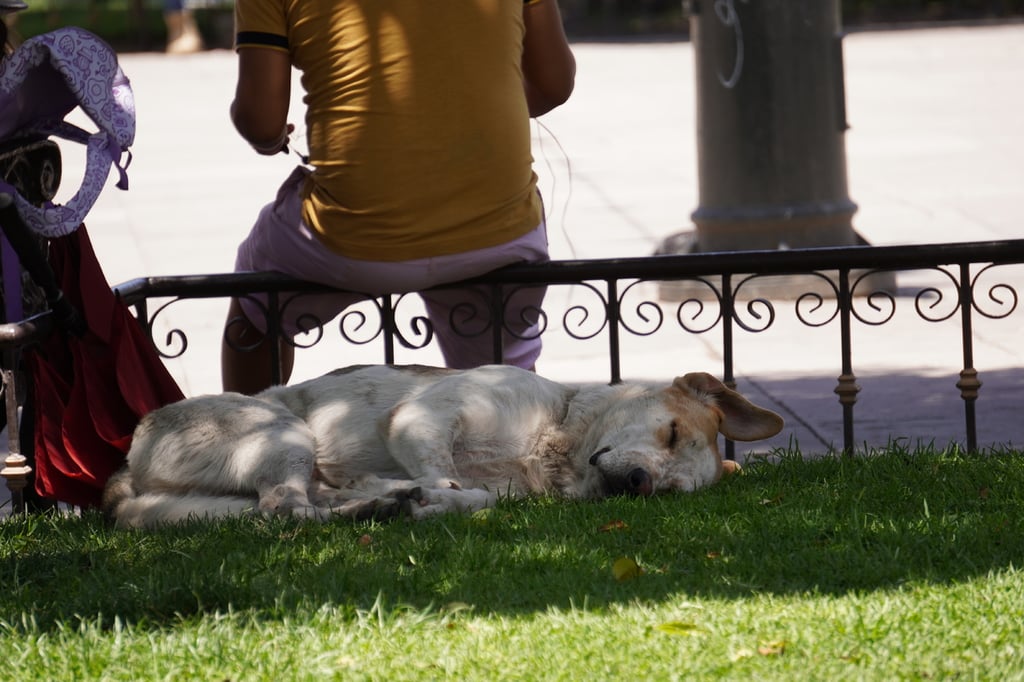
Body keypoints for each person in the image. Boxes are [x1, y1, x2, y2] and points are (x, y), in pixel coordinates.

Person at [223, 0, 576, 394]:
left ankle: (247, 427)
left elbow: (261, 118)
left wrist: (270, 139)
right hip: (499, 235)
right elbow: (553, 84)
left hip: (348, 239)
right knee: (504, 390)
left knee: (257, 305)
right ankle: (508, 431)